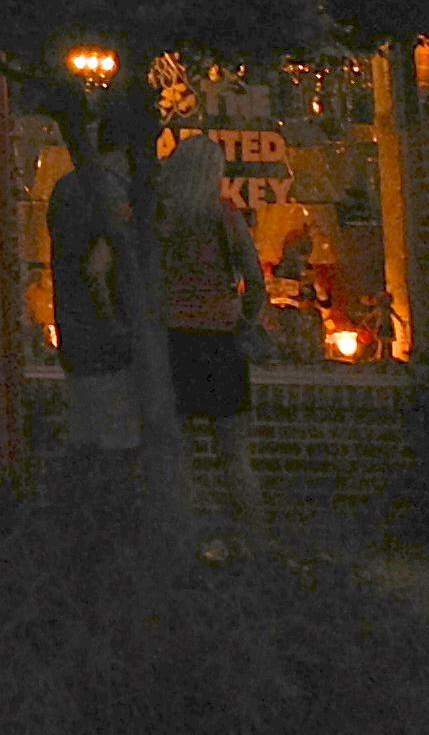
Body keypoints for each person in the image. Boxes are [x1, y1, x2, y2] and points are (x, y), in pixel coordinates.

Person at [159, 132, 269, 556]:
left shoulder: (161, 219)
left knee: (183, 454)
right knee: (235, 455)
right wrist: (244, 319)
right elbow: (254, 280)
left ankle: (187, 546)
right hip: (222, 339)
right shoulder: (224, 215)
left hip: (175, 340)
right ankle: (252, 545)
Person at [42, 109, 141, 503]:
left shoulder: (65, 188)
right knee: (120, 446)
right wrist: (117, 325)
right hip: (109, 344)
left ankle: (71, 515)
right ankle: (111, 519)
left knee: (83, 440)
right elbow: (98, 269)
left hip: (73, 332)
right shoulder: (115, 195)